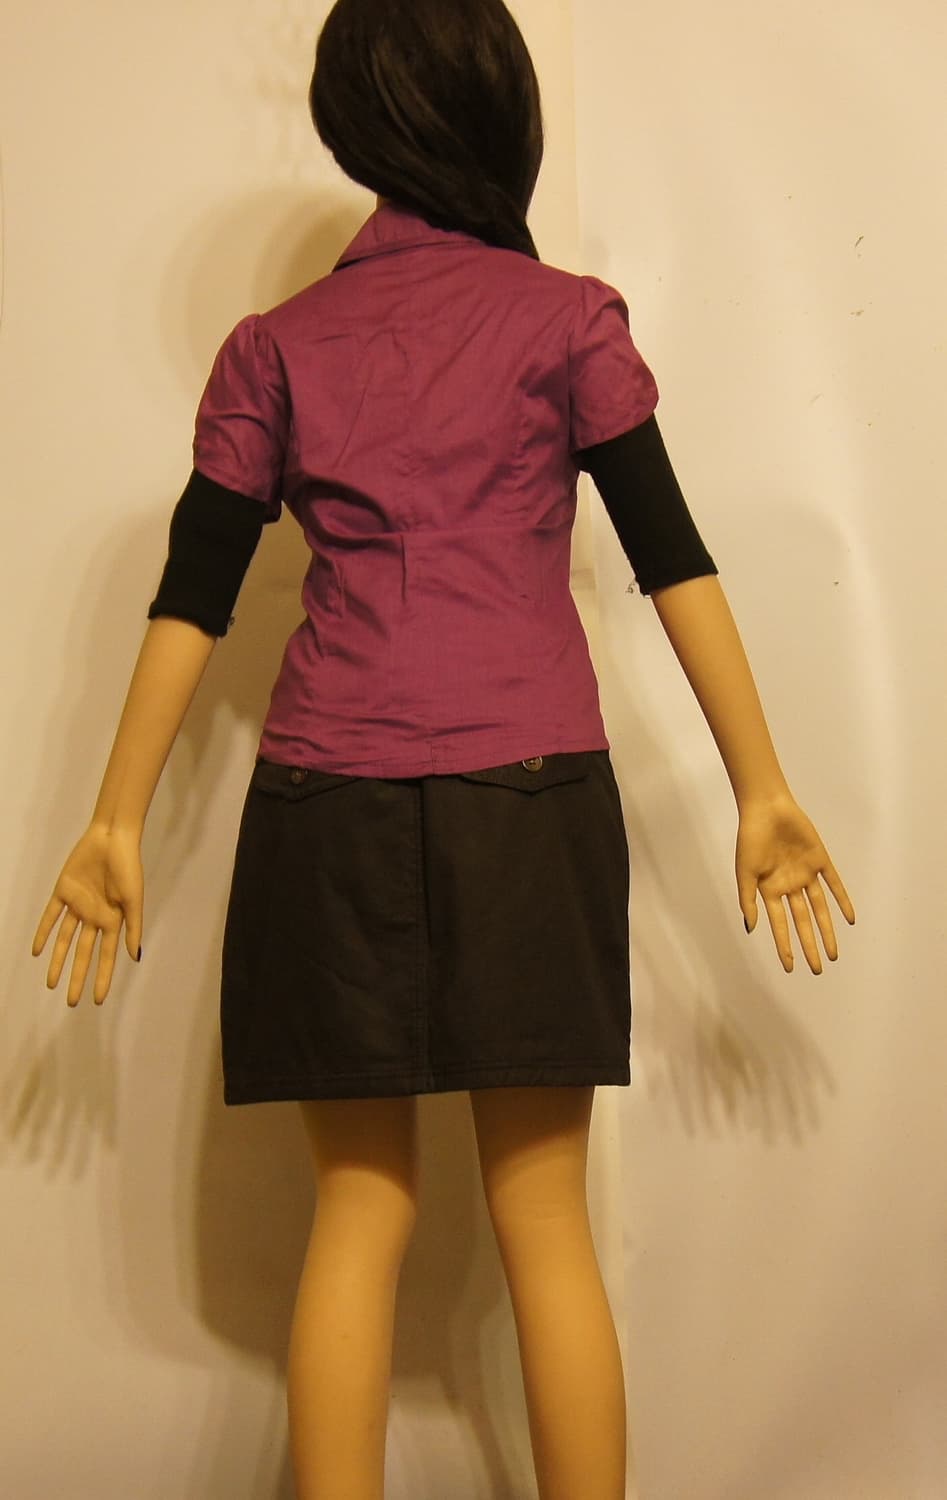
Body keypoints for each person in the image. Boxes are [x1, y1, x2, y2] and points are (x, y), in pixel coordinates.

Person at [30, 1, 856, 1496]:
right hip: (528, 800)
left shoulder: (277, 347)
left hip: (325, 805)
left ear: (357, 125)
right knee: (545, 1223)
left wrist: (114, 819)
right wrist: (762, 784)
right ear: (500, 113)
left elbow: (193, 591)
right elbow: (673, 556)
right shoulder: (567, 322)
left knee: (359, 1214)